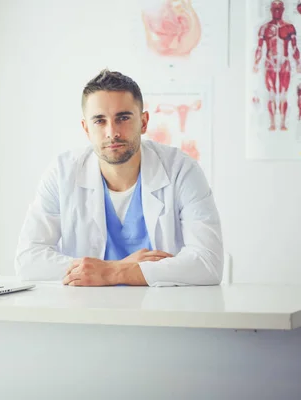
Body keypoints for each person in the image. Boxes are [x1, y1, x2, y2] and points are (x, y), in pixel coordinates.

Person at [14, 69, 223, 287]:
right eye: (99, 121)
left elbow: (209, 264)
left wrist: (113, 272)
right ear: (86, 128)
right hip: (87, 311)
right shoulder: (62, 173)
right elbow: (28, 261)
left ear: (143, 122)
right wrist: (122, 267)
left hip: (164, 312)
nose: (112, 132)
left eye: (122, 118)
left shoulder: (182, 170)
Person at [253, 0, 301, 131]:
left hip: (284, 62)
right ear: (271, 10)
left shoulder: (289, 27)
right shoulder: (264, 28)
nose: (277, 11)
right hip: (270, 62)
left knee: (283, 93)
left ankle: (284, 123)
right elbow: (259, 47)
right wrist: (256, 63)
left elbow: (295, 47)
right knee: (272, 93)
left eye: (279, 8)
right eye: (275, 8)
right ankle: (273, 123)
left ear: (283, 10)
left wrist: (298, 63)